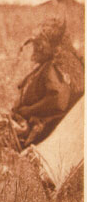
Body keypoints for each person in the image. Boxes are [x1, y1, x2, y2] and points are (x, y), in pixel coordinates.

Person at [11, 17, 84, 148]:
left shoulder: (55, 66)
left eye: (39, 45)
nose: (35, 49)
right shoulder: (54, 64)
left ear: (55, 48)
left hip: (48, 131)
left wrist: (28, 111)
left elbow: (58, 100)